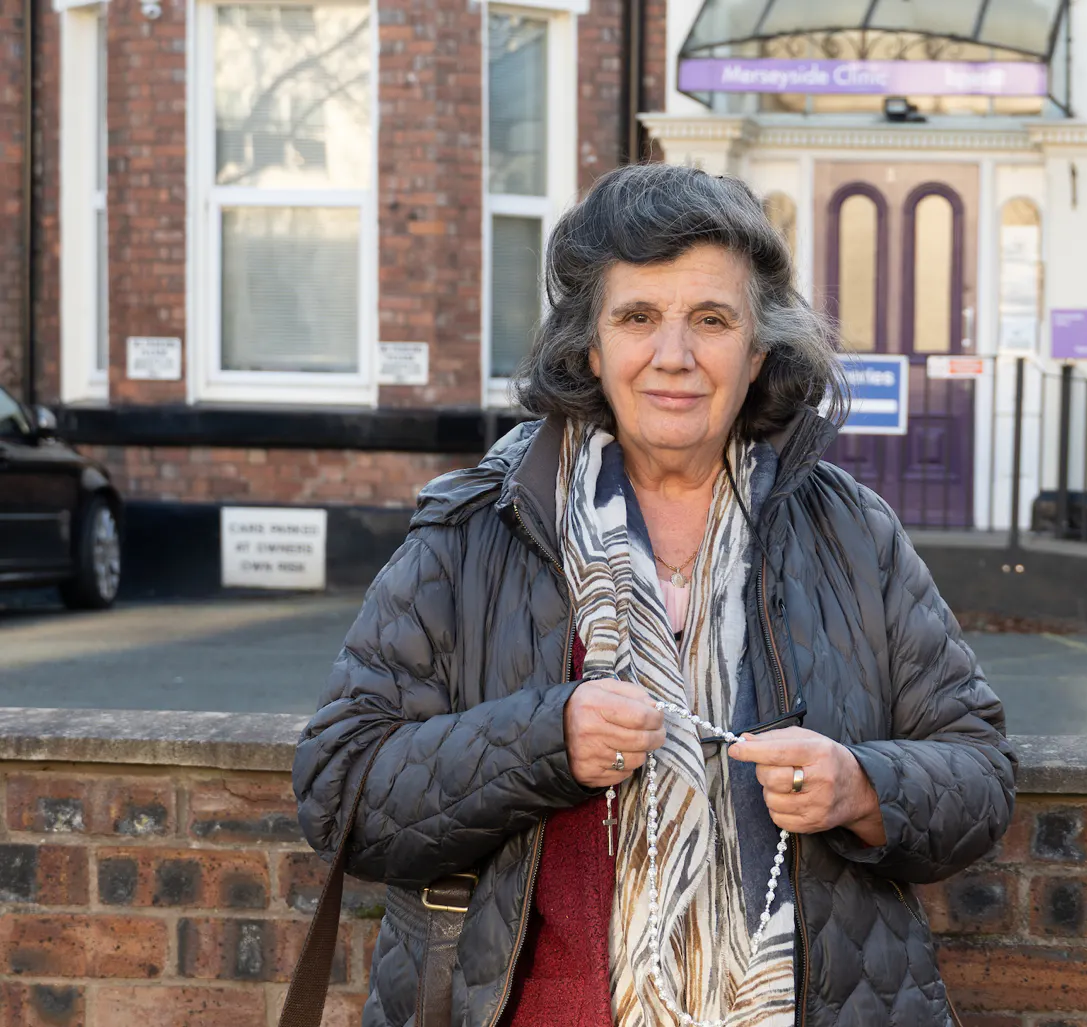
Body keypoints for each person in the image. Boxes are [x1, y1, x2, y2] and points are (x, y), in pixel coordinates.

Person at [293, 161, 1016, 1027]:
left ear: (757, 352)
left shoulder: (852, 532)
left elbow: (979, 768)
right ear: (591, 348)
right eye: (638, 317)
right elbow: (342, 793)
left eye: (711, 320)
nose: (674, 356)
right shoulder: (476, 528)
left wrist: (863, 786)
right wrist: (544, 737)